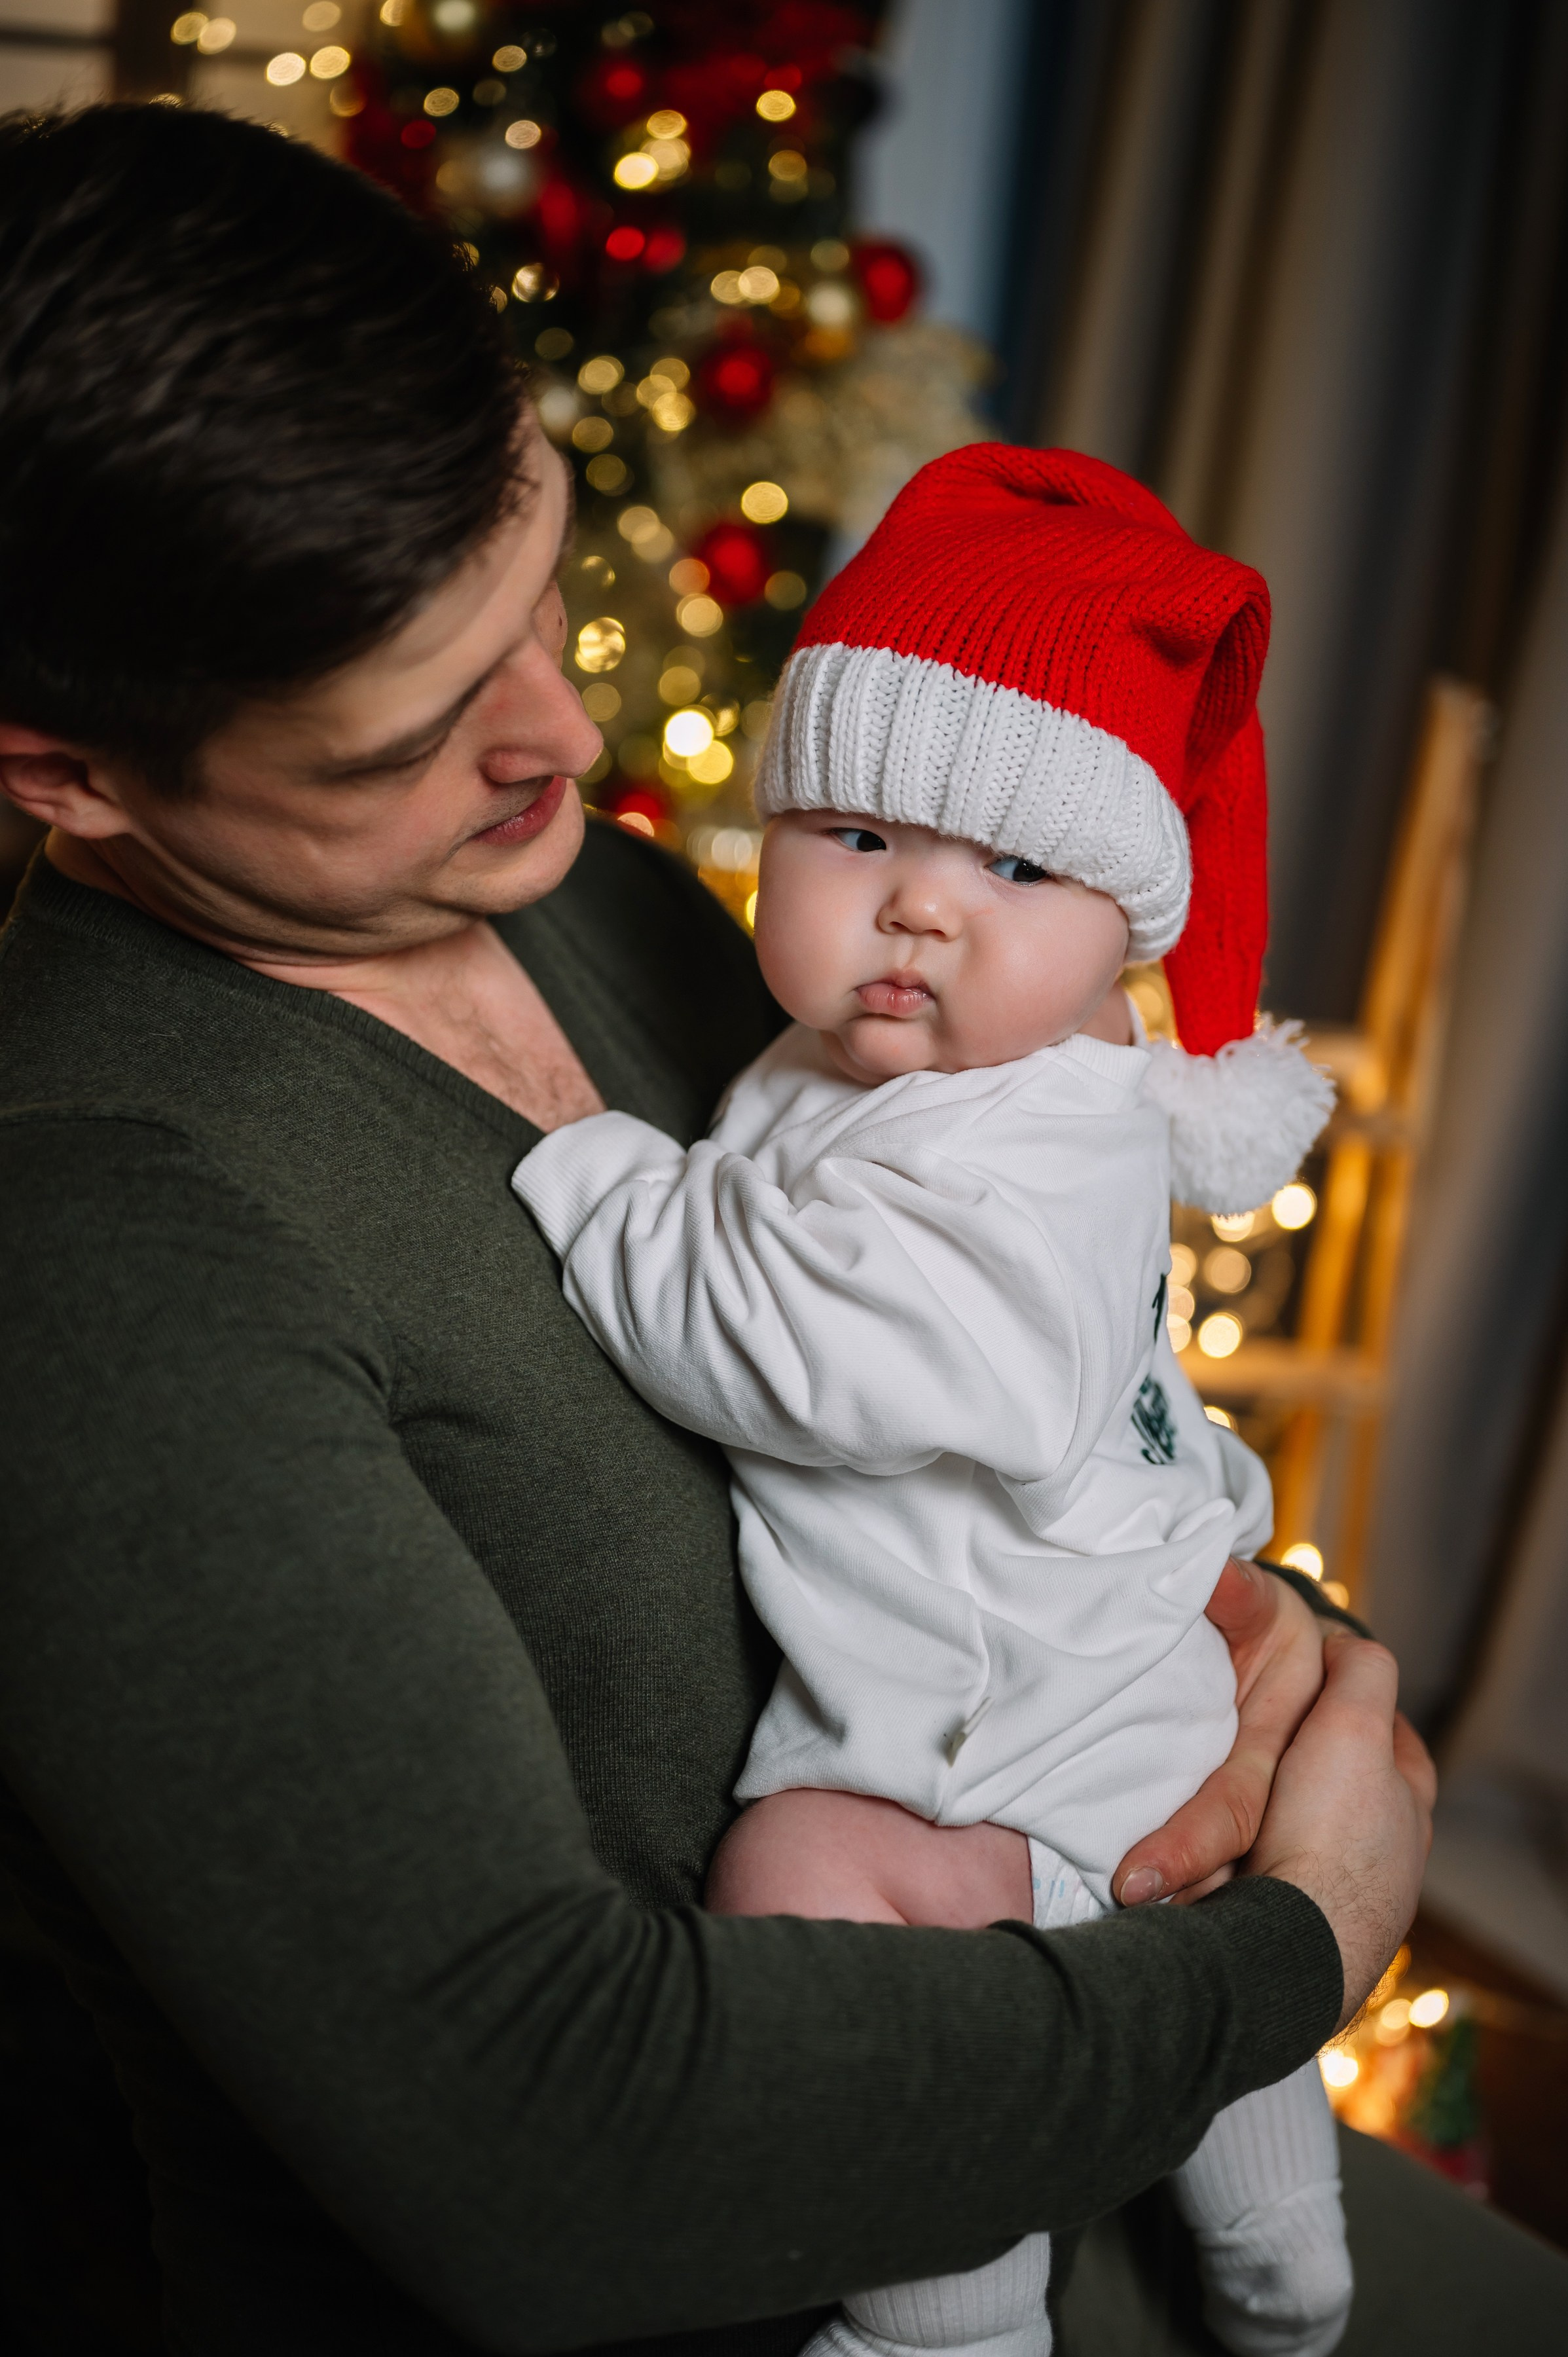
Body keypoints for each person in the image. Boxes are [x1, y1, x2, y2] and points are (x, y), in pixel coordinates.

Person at [0, 100, 1548, 2357]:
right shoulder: (95, 1253)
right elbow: (553, 2153)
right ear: (67, 771)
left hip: (1078, 2027)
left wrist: (1258, 1646)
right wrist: (1296, 1942)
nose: (565, 737)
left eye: (541, 599)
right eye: (411, 735)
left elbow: (1003, 1327)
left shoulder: (597, 900)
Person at [512, 448, 1346, 2357]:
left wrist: (608, 1184)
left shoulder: (1018, 1148)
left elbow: (804, 1350)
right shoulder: (935, 1072)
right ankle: (1281, 2244)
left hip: (1016, 1725)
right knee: (1183, 1929)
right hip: (1116, 1652)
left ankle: (944, 2320)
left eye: (1016, 868)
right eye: (856, 833)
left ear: (1125, 930)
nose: (918, 912)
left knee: (802, 1889)